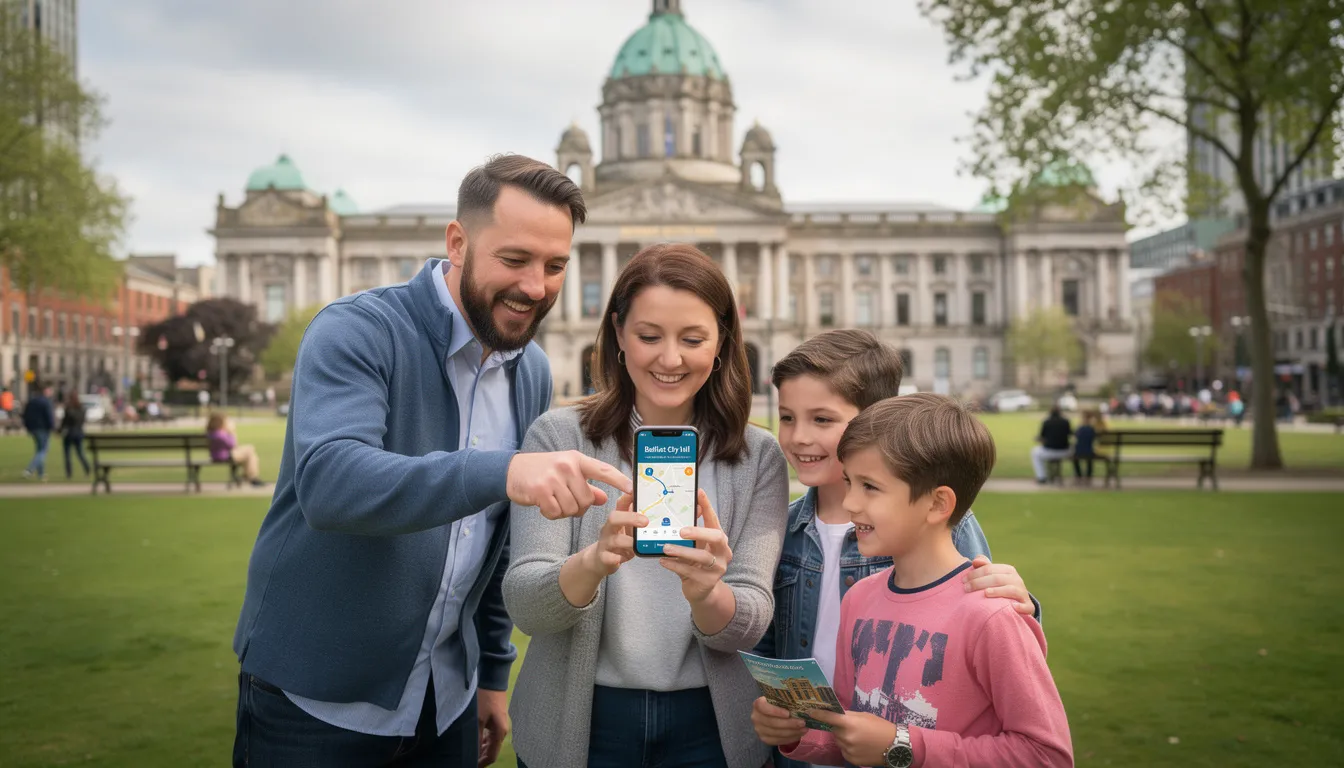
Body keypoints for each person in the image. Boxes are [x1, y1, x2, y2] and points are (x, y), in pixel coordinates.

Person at [231, 154, 632, 768]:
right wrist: (502, 469)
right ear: (458, 242)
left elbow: (500, 543)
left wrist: (493, 673)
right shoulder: (356, 330)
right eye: (515, 259)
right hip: (315, 704)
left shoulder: (530, 371)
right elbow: (332, 483)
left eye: (555, 266)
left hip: (446, 700)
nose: (536, 286)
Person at [503, 243, 790, 768]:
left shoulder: (758, 456)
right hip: (581, 721)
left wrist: (707, 592)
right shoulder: (557, 436)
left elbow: (749, 624)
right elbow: (525, 606)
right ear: (617, 334)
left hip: (711, 727)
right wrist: (594, 561)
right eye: (649, 336)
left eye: (693, 339)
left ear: (723, 341)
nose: (670, 359)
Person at [755, 330, 1039, 768]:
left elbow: (997, 625)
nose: (798, 437)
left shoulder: (939, 520)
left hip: (915, 745)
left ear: (876, 420)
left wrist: (1025, 605)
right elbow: (769, 645)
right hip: (822, 748)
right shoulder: (782, 524)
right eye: (787, 418)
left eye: (822, 420)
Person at [206, 413, 265, 487]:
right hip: (225, 456)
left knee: (250, 453)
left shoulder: (210, 433)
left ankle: (249, 476)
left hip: (216, 455)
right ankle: (252, 477)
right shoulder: (220, 434)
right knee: (250, 451)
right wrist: (232, 432)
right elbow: (233, 445)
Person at [1030, 406, 1073, 484]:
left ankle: (1041, 477)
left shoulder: (1047, 422)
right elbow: (1070, 434)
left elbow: (1042, 437)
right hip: (1065, 451)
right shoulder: (1066, 422)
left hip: (1049, 451)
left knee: (1034, 452)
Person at [22, 384, 55, 481]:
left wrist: (28, 427)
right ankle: (29, 469)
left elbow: (25, 415)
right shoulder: (46, 402)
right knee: (43, 451)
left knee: (39, 450)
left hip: (34, 429)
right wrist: (52, 427)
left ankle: (41, 473)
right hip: (43, 429)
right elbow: (49, 417)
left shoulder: (32, 401)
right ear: (46, 391)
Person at [60, 392, 91, 479]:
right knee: (80, 453)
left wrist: (59, 430)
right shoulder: (82, 409)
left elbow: (64, 422)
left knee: (67, 454)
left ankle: (69, 473)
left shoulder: (69, 409)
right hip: (78, 433)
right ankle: (87, 468)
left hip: (69, 433)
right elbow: (82, 421)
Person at [1071, 408, 1104, 484]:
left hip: (1079, 452)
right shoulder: (1092, 429)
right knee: (1089, 457)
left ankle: (1078, 475)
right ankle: (1088, 476)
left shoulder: (1080, 428)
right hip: (1089, 451)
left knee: (1075, 457)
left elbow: (1075, 436)